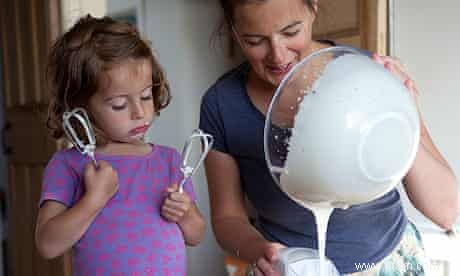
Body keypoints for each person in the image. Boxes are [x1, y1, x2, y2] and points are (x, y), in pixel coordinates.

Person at [199, 0, 458, 275]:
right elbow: (227, 218)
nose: (277, 55)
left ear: (313, 8)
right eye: (255, 41)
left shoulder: (363, 73)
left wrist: (400, 110)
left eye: (291, 32)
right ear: (234, 31)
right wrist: (260, 250)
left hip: (387, 260)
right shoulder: (222, 104)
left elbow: (445, 211)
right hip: (290, 267)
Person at [35, 15, 205, 275]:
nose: (139, 112)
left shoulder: (170, 161)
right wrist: (94, 199)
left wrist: (185, 214)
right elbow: (47, 245)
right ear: (81, 106)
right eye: (119, 104)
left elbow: (195, 235)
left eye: (146, 96)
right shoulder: (69, 164)